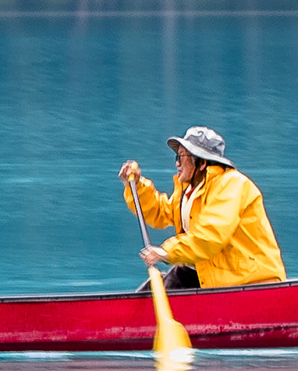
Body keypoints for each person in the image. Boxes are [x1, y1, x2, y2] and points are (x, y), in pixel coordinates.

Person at [117, 124, 283, 290]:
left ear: (201, 163)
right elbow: (160, 213)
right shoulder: (190, 190)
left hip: (250, 282)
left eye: (181, 157)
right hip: (213, 277)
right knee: (174, 276)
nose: (177, 164)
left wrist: (167, 252)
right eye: (177, 157)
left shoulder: (233, 185)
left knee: (178, 273)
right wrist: (136, 186)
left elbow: (211, 234)